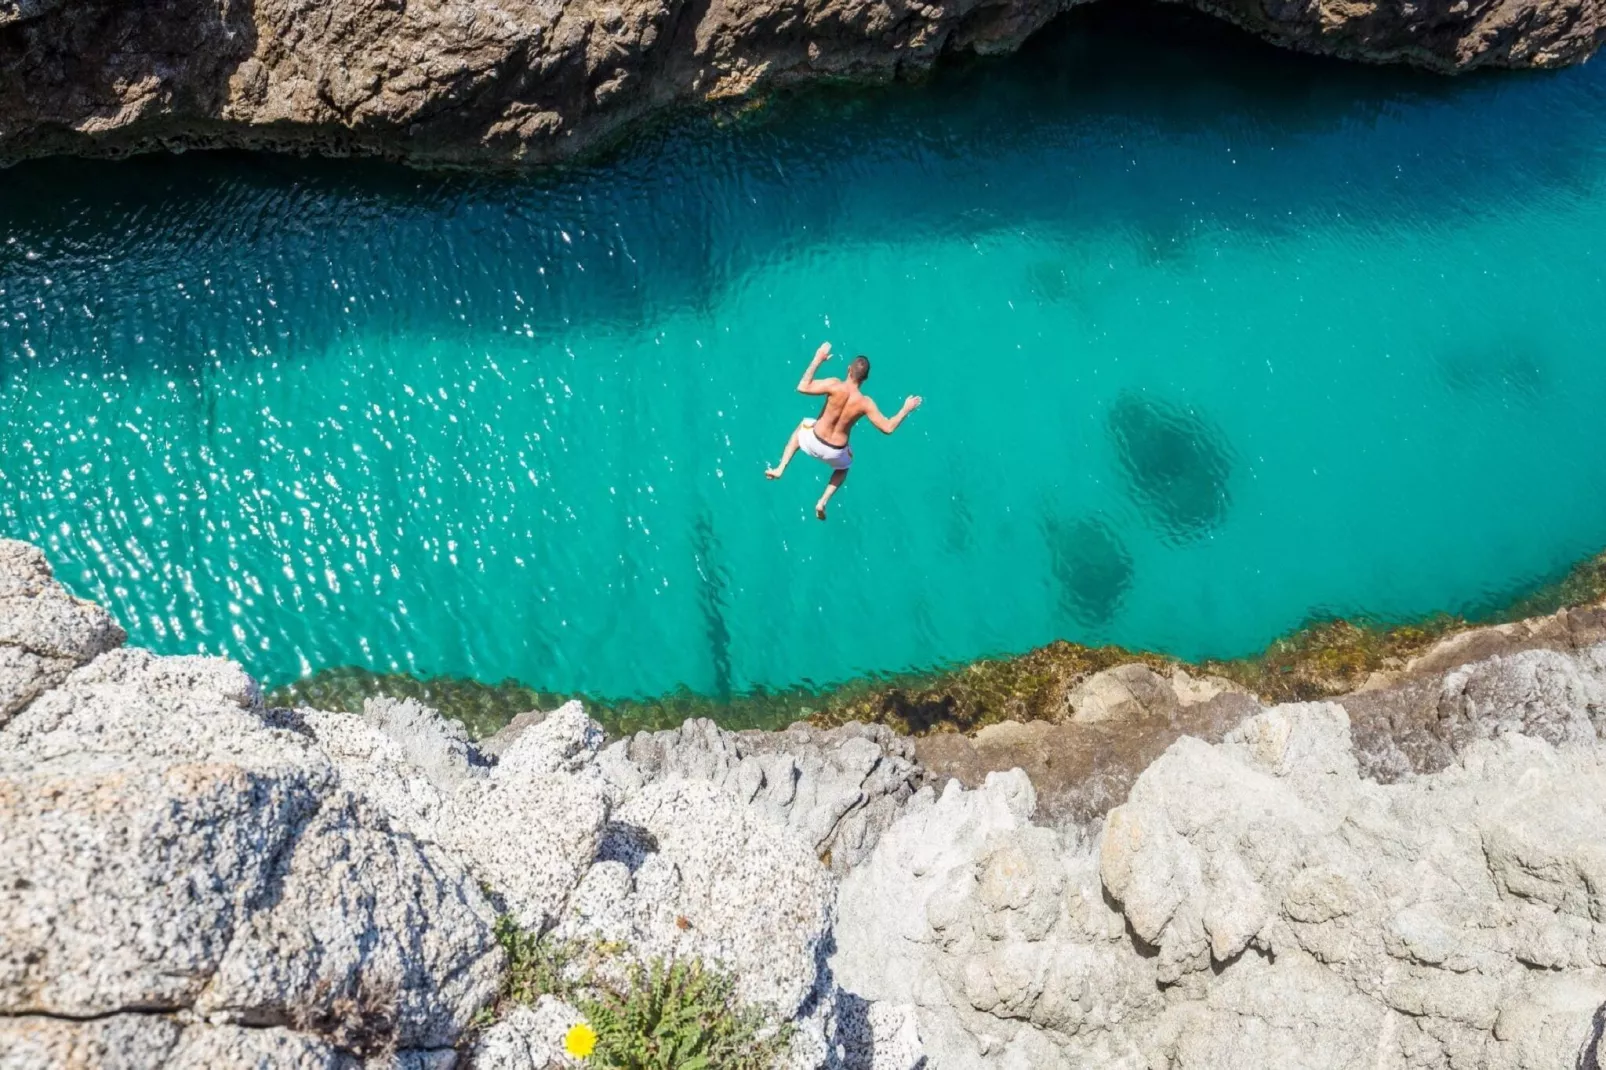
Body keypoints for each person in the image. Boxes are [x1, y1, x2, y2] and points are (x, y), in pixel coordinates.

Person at [764, 341, 922, 520]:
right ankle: (822, 501)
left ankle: (780, 468)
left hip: (813, 439)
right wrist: (906, 409)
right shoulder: (865, 403)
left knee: (801, 428)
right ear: (865, 379)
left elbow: (803, 386)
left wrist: (818, 359)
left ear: (848, 369)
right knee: (844, 468)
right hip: (835, 452)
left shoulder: (834, 385)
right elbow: (888, 428)